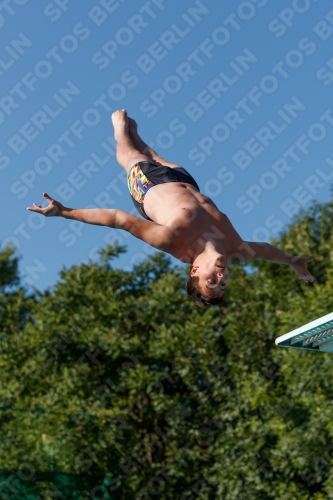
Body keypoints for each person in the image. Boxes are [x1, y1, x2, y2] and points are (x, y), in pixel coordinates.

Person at [27, 110, 315, 307]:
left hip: (148, 189)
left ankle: (120, 131)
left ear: (195, 271)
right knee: (153, 153)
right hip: (186, 182)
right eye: (223, 284)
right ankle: (137, 133)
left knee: (131, 155)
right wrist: (291, 260)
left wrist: (65, 212)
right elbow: (266, 250)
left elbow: (118, 219)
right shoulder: (235, 249)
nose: (221, 277)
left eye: (211, 281)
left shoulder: (173, 242)